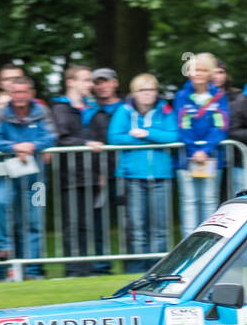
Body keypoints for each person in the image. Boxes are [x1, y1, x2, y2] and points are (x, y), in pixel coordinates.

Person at [0, 77, 57, 278]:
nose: (19, 96)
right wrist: (14, 147)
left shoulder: (41, 111)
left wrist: (32, 146)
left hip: (37, 179)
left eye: (23, 92)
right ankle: (5, 260)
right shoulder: (1, 113)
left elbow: (52, 136)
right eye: (15, 92)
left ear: (31, 93)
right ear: (10, 93)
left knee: (35, 221)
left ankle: (34, 270)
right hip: (9, 175)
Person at [108, 73, 178, 272]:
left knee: (161, 228)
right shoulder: (124, 111)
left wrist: (147, 133)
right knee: (137, 228)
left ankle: (159, 270)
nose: (147, 94)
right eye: (142, 90)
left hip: (161, 175)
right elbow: (114, 138)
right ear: (134, 93)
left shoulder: (165, 110)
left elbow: (173, 136)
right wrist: (151, 140)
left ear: (156, 93)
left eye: (151, 90)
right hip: (133, 176)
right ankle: (138, 271)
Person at [52, 65, 106, 277]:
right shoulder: (59, 108)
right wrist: (85, 143)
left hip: (92, 173)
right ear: (71, 82)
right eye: (85, 80)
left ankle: (87, 266)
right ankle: (73, 268)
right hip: (70, 175)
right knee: (72, 224)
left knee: (87, 223)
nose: (90, 85)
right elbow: (61, 137)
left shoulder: (93, 109)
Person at [174, 53, 230, 236]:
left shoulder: (219, 97)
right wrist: (193, 150)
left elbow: (221, 126)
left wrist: (205, 150)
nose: (198, 74)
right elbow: (183, 125)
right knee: (189, 202)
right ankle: (188, 247)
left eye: (203, 70)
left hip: (212, 158)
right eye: (195, 70)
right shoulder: (181, 96)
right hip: (186, 158)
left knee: (209, 200)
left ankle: (209, 245)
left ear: (210, 74)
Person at [86, 67, 124, 273]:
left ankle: (133, 265)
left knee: (131, 222)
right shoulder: (92, 112)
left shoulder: (129, 107)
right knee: (100, 223)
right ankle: (102, 265)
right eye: (98, 83)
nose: (102, 86)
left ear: (115, 83)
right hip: (102, 175)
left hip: (127, 174)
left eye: (106, 81)